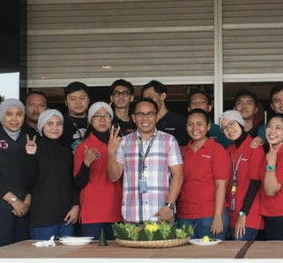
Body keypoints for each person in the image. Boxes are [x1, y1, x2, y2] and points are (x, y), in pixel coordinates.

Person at [107, 98, 183, 223]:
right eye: (140, 114)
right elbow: (114, 176)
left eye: (150, 114)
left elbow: (178, 175)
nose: (145, 118)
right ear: (133, 117)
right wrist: (110, 153)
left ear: (157, 117)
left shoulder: (169, 141)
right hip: (132, 215)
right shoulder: (124, 142)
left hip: (161, 215)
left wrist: (169, 205)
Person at [0, 99, 32, 250]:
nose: (14, 119)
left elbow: (35, 172)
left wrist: (27, 200)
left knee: (23, 253)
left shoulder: (30, 138)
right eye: (9, 114)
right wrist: (14, 201)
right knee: (1, 252)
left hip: (25, 207)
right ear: (2, 115)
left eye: (19, 114)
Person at [25, 109, 79, 240]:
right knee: (44, 253)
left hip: (67, 216)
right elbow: (28, 182)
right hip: (43, 216)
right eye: (50, 124)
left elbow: (73, 183)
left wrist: (75, 206)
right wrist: (30, 156)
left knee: (67, 253)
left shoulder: (67, 152)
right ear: (41, 127)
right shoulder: (34, 148)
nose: (55, 127)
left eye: (59, 124)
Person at [177, 109, 230, 239]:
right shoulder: (181, 151)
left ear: (208, 127)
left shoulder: (217, 150)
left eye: (199, 124)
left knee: (209, 252)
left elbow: (221, 185)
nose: (195, 128)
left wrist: (218, 217)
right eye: (190, 124)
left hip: (209, 215)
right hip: (184, 216)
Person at [74, 102, 122, 239]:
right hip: (92, 211)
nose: (102, 119)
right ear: (90, 120)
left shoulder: (120, 144)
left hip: (116, 208)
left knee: (116, 251)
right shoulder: (84, 146)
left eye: (106, 116)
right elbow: (78, 183)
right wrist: (86, 163)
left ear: (111, 120)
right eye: (97, 116)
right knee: (92, 252)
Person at [219, 110, 265, 241]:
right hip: (233, 211)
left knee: (239, 250)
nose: (229, 130)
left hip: (249, 213)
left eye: (232, 124)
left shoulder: (255, 147)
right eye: (224, 128)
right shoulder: (229, 151)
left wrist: (243, 213)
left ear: (241, 123)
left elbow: (255, 183)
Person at [141, 80, 188, 146]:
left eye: (151, 98)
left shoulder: (179, 121)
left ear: (163, 96)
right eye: (145, 99)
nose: (148, 102)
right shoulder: (143, 122)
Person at [60, 81, 91, 151]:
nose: (78, 102)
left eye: (82, 98)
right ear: (66, 102)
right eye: (72, 99)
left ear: (88, 100)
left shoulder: (96, 120)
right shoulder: (59, 122)